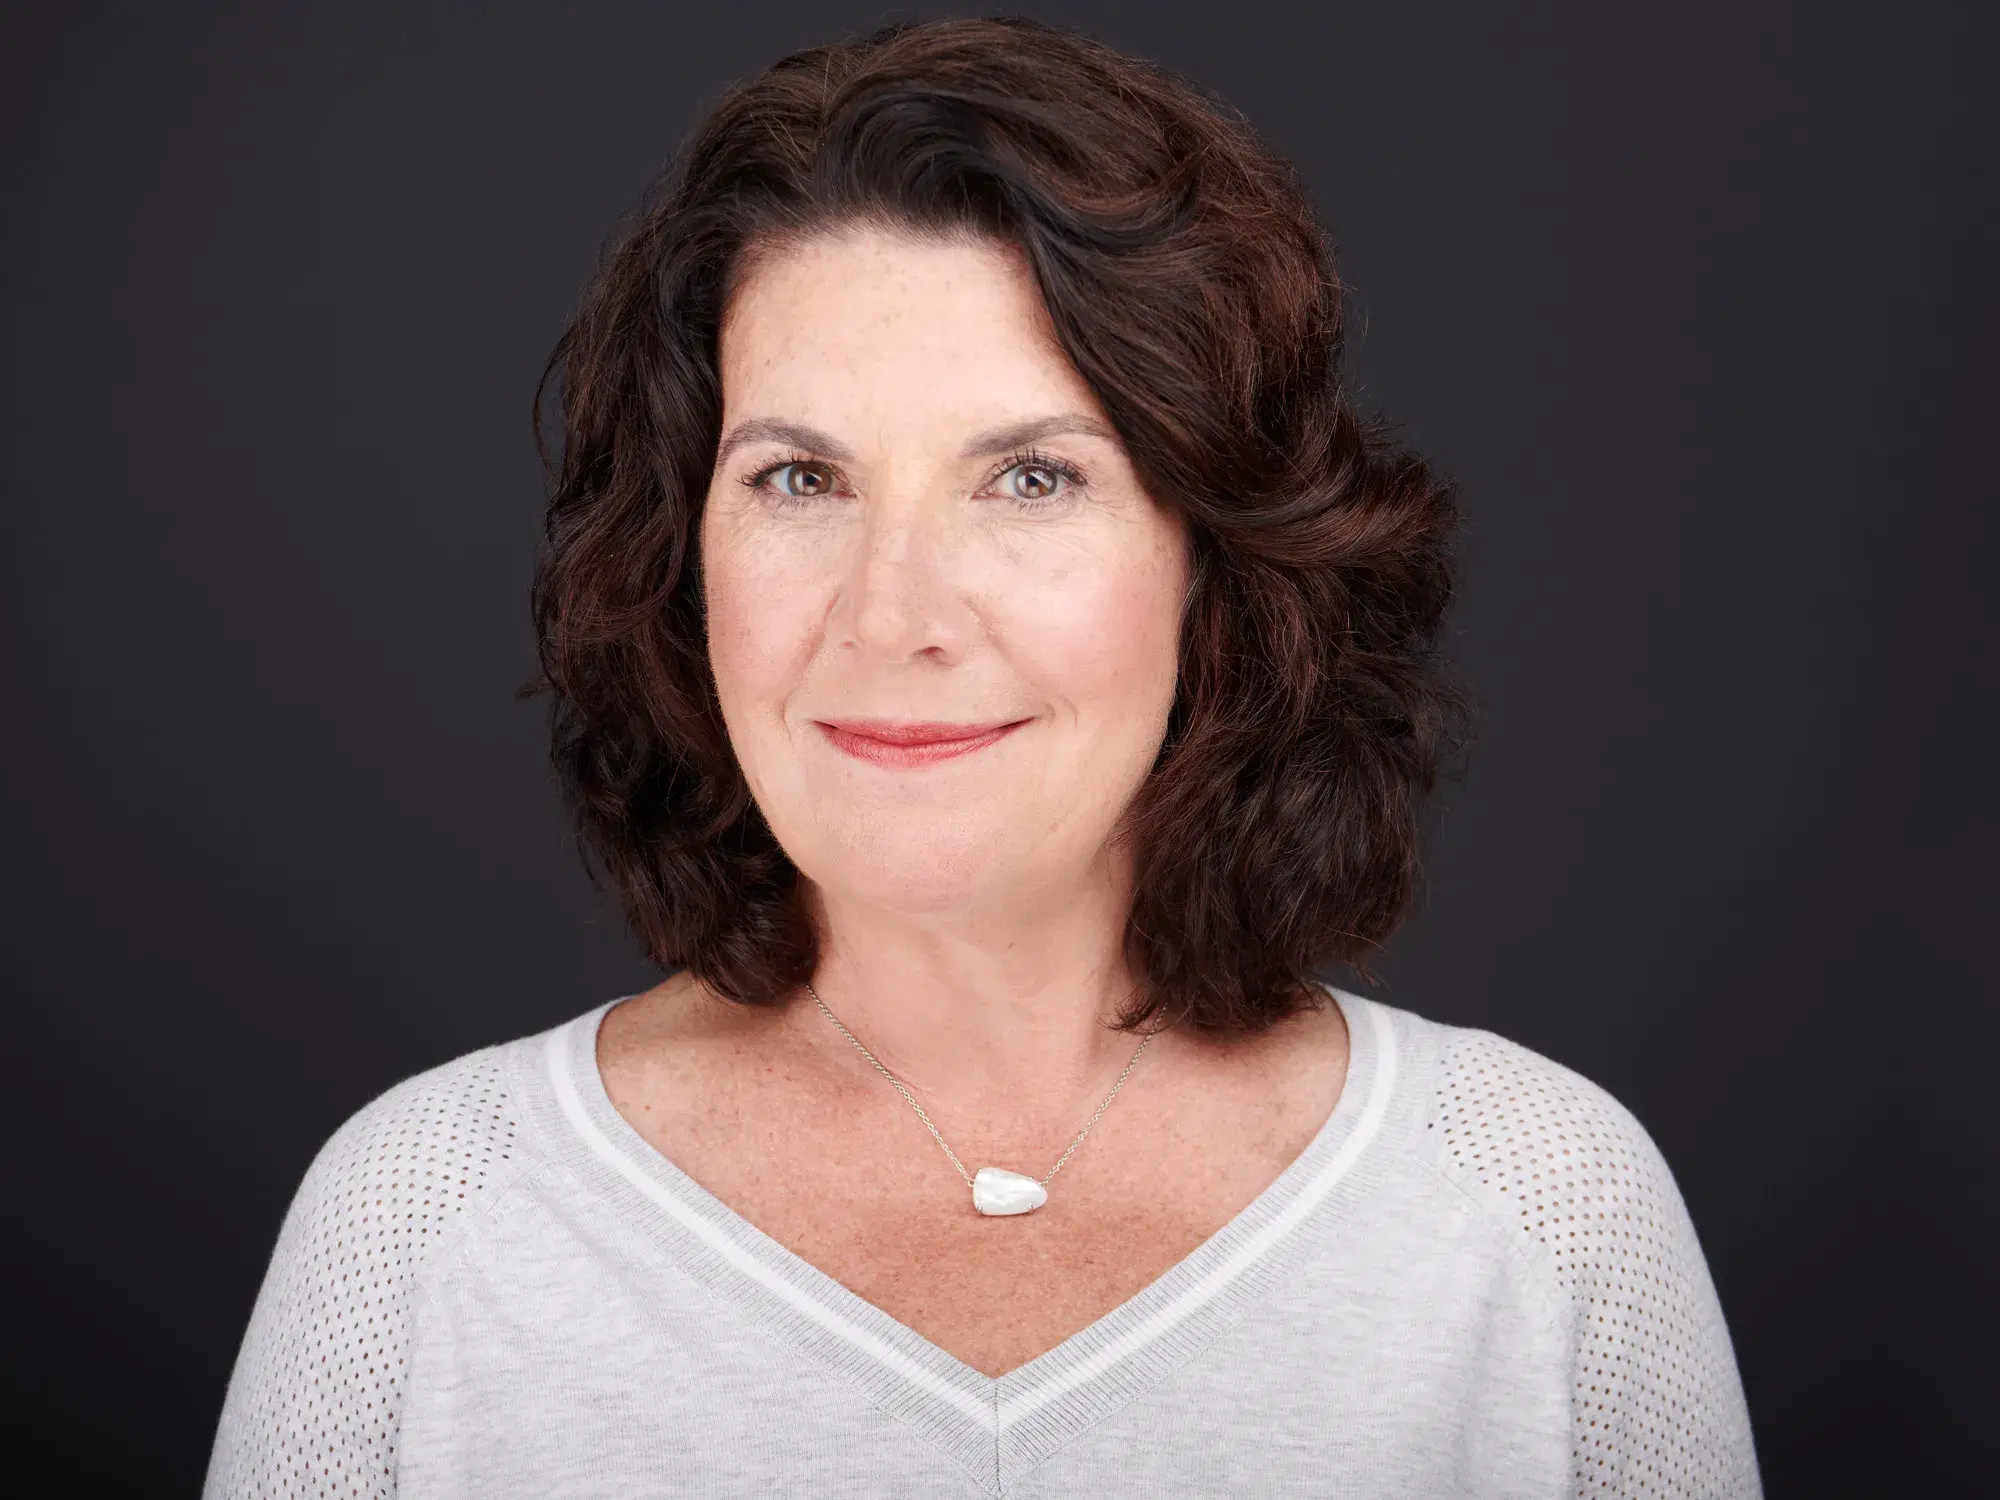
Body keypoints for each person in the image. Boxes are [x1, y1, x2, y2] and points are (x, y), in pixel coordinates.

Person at [204, 17, 1759, 1498]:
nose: (894, 616)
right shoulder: (422, 1222)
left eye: (1029, 478)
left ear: (1218, 558)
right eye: (801, 476)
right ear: (681, 557)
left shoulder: (1543, 1214)